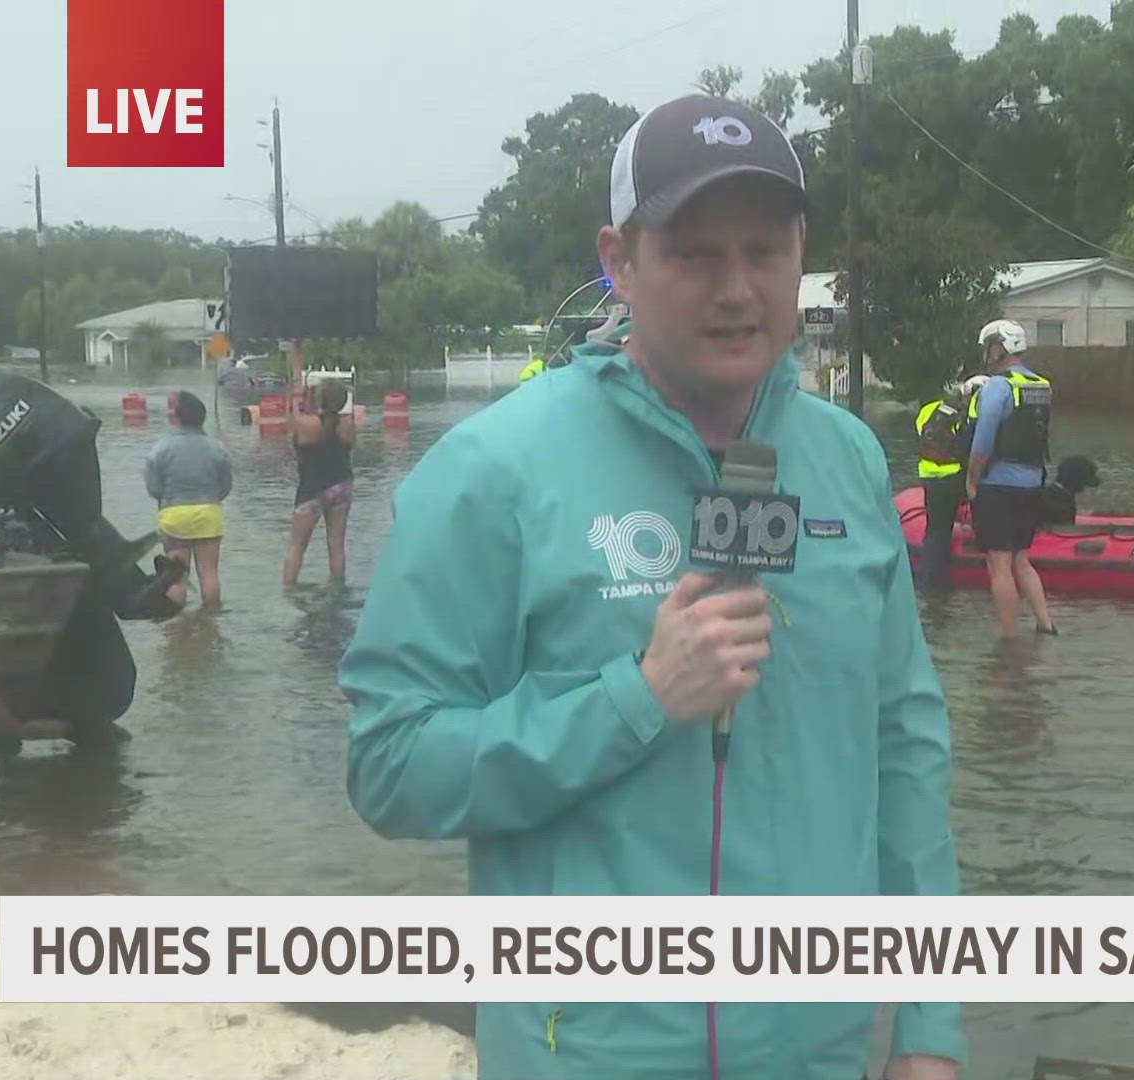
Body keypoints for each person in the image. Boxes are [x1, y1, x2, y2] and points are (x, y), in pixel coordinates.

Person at [338, 93, 964, 1080]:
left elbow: (905, 748)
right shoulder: (490, 473)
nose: (736, 289)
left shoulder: (846, 462)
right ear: (618, 261)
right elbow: (390, 767)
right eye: (694, 254)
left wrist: (932, 1026)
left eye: (764, 251)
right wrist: (634, 700)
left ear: (803, 254)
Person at [965, 319, 1057, 638]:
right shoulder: (1042, 386)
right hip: (1033, 483)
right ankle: (1045, 623)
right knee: (1021, 558)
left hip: (998, 485)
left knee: (999, 564)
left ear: (999, 348)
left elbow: (983, 441)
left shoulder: (997, 387)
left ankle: (1008, 639)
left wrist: (972, 480)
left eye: (989, 347)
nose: (987, 354)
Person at [143, 390, 232, 609]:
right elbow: (225, 486)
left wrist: (169, 499)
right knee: (209, 573)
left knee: (175, 576)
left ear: (179, 417)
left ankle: (175, 625)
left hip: (174, 514)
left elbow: (154, 488)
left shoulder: (160, 449)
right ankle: (211, 623)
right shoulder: (218, 449)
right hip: (209, 513)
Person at [283, 379, 355, 588]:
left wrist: (294, 398)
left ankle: (288, 590)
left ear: (319, 398)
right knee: (336, 545)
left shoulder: (308, 424)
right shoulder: (347, 425)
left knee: (297, 546)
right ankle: (337, 588)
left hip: (311, 490)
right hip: (341, 487)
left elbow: (291, 426)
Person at [913, 380, 971, 588]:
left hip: (928, 475)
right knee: (941, 530)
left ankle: (932, 584)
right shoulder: (962, 418)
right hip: (951, 477)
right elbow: (968, 448)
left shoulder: (928, 410)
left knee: (934, 527)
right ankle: (933, 582)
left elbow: (919, 434)